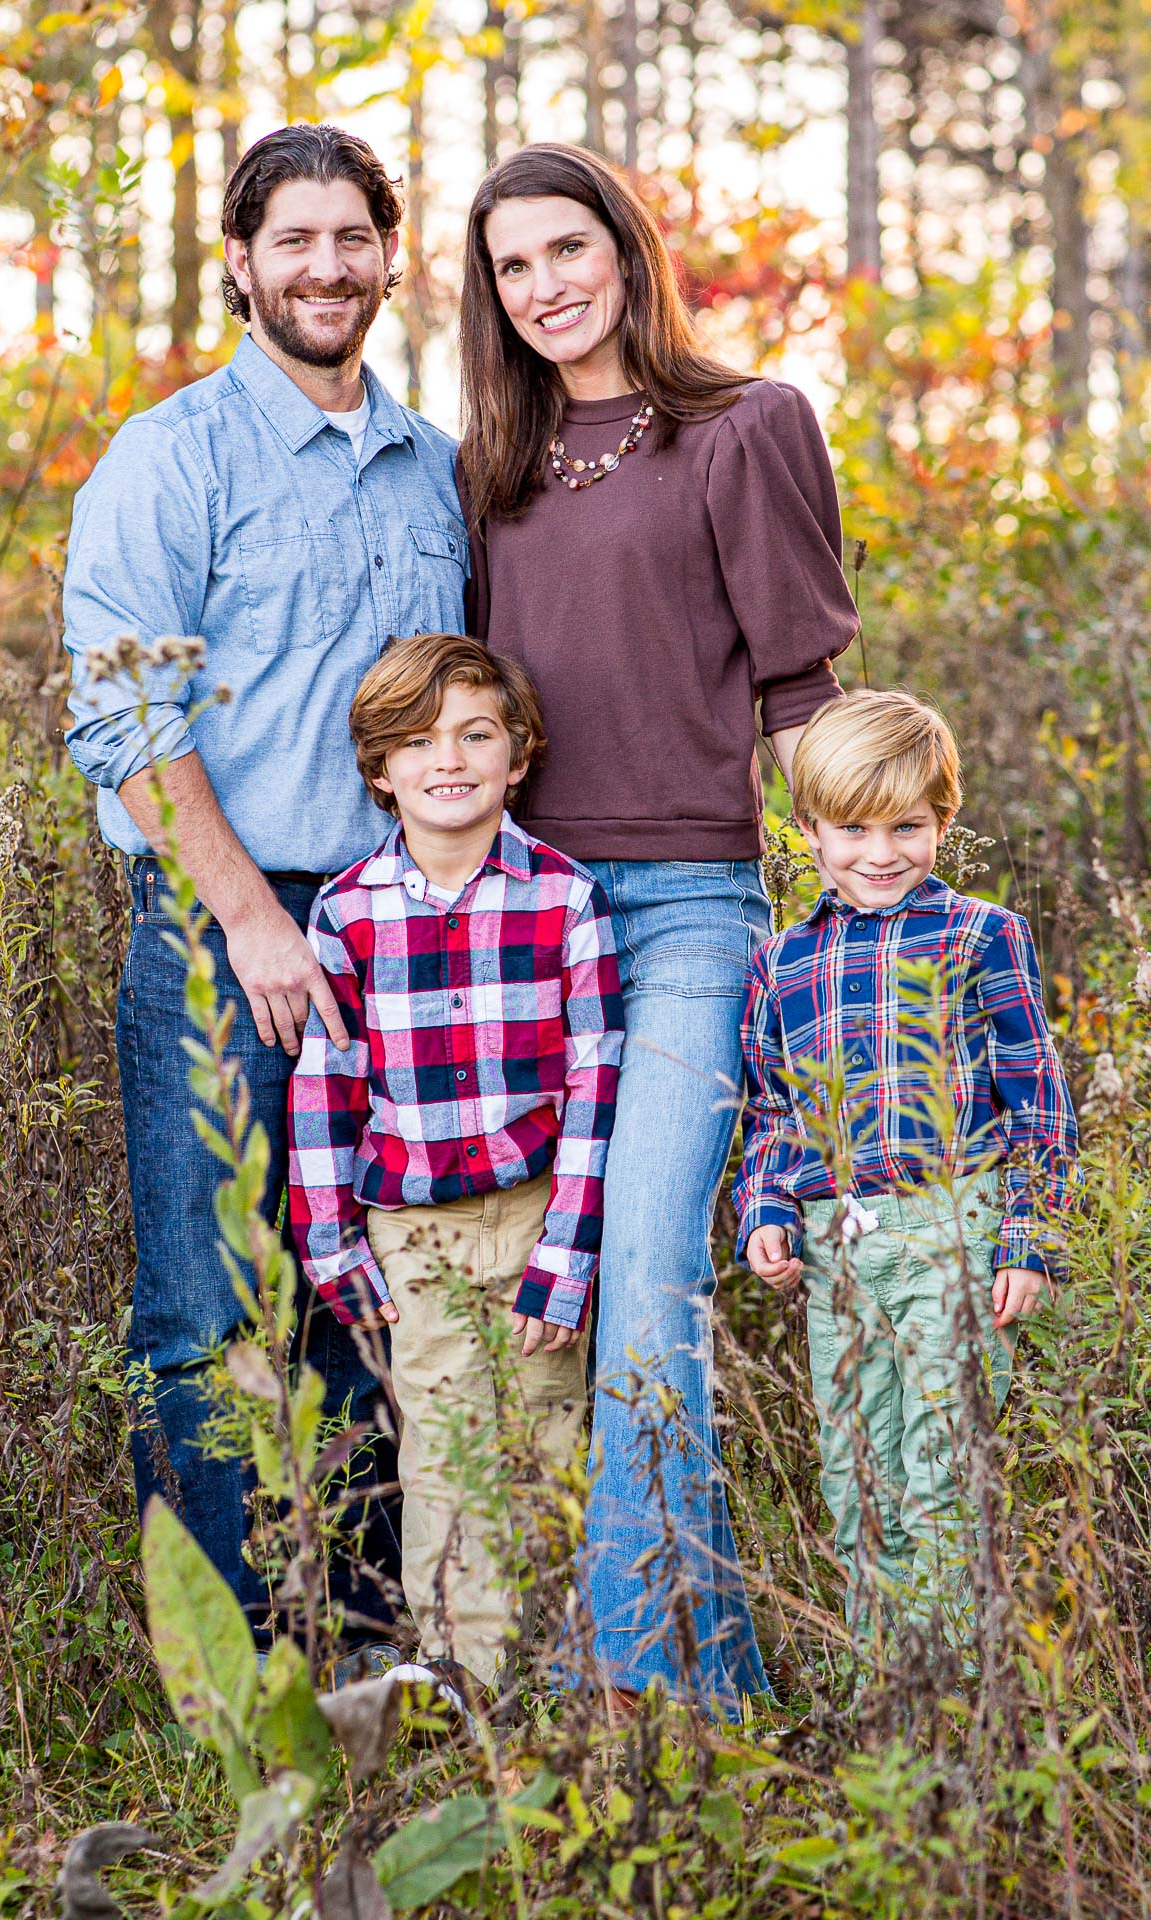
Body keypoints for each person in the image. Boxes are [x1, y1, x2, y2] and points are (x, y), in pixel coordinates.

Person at [457, 140, 862, 1716]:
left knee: (647, 1282)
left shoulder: (747, 427)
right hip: (528, 932)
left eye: (570, 250)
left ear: (626, 251)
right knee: (561, 1314)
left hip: (693, 913)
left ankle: (618, 1690)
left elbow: (807, 690)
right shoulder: (486, 473)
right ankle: (714, 1685)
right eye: (513, 266)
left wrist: (852, 920)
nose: (547, 286)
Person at [61, 124, 468, 1658]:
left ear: (386, 254)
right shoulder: (172, 457)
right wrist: (247, 917)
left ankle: (360, 1660)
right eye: (291, 241)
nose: (324, 268)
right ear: (239, 263)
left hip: (402, 935)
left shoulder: (436, 468)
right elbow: (120, 709)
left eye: (350, 238)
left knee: (370, 1306)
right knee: (210, 1319)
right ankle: (234, 1689)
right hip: (224, 929)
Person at [287, 633, 624, 1709]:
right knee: (441, 1443)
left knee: (546, 1432)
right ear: (377, 769)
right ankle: (461, 1676)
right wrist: (331, 1241)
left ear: (517, 757)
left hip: (533, 1216)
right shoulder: (344, 913)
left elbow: (592, 1076)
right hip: (412, 1232)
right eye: (416, 742)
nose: (448, 759)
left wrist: (567, 1254)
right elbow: (324, 1085)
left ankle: (562, 1669)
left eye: (474, 734)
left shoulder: (563, 898)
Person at [735, 690, 1078, 1651]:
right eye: (852, 828)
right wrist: (765, 1206)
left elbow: (1037, 1095)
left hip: (953, 1227)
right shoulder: (782, 963)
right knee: (856, 1469)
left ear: (942, 821)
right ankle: (876, 1685)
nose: (879, 852)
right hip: (837, 1243)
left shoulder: (983, 936)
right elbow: (770, 1108)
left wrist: (1031, 1237)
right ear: (805, 828)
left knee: (941, 1460)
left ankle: (951, 1685)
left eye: (908, 826)